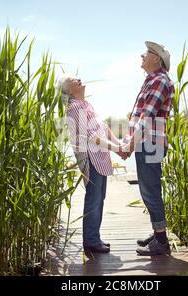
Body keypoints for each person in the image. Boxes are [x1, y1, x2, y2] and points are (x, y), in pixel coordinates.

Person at [57, 76, 126, 253]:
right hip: (90, 159)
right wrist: (118, 150)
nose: (78, 79)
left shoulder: (86, 105)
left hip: (100, 157)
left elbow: (102, 128)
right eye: (73, 80)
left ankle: (95, 238)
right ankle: (91, 241)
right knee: (94, 199)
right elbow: (91, 138)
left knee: (99, 197)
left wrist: (120, 145)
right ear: (69, 91)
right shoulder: (74, 108)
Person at [120, 41, 175, 256]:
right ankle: (158, 233)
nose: (141, 56)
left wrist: (130, 146)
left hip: (150, 142)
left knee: (151, 191)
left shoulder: (160, 81)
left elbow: (146, 118)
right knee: (147, 190)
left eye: (147, 53)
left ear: (156, 59)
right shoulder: (150, 81)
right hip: (146, 142)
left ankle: (161, 242)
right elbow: (136, 118)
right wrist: (128, 142)